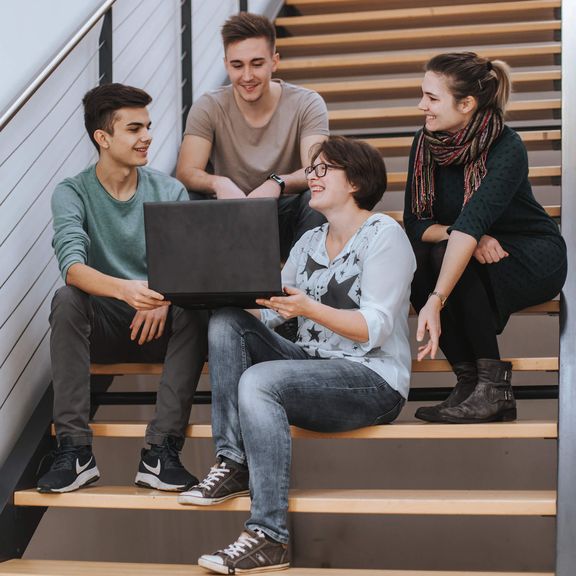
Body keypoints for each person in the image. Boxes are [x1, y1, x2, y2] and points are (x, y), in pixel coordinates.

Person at [178, 136, 415, 574]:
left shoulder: (385, 235)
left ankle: (269, 537)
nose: (312, 177)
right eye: (312, 169)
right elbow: (267, 314)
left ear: (357, 182)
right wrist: (205, 289)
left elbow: (374, 327)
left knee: (261, 380)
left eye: (325, 169)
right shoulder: (308, 241)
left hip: (371, 378)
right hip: (312, 366)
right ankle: (233, 461)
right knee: (228, 321)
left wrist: (308, 307)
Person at [37, 83, 208, 493]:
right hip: (108, 328)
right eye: (134, 128)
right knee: (67, 300)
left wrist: (163, 295)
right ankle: (75, 451)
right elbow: (73, 269)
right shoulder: (72, 192)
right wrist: (131, 291)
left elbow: (188, 268)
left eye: (147, 126)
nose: (147, 136)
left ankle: (161, 452)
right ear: (103, 137)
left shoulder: (169, 191)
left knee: (197, 308)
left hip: (164, 329)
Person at [403, 52, 567, 424]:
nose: (421, 106)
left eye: (431, 98)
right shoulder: (425, 144)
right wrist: (467, 236)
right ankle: (470, 383)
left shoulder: (507, 147)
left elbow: (471, 224)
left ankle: (493, 389)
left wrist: (435, 300)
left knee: (446, 254)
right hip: (470, 244)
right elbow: (415, 223)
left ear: (467, 104)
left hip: (530, 253)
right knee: (419, 252)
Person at [175, 12, 329, 261]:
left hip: (282, 214)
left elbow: (317, 169)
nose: (247, 76)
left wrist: (277, 183)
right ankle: (203, 295)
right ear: (226, 64)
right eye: (237, 65)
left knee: (318, 196)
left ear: (274, 61)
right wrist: (218, 183)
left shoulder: (307, 103)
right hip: (228, 215)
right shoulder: (208, 106)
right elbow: (186, 171)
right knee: (187, 198)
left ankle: (303, 284)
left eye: (257, 64)